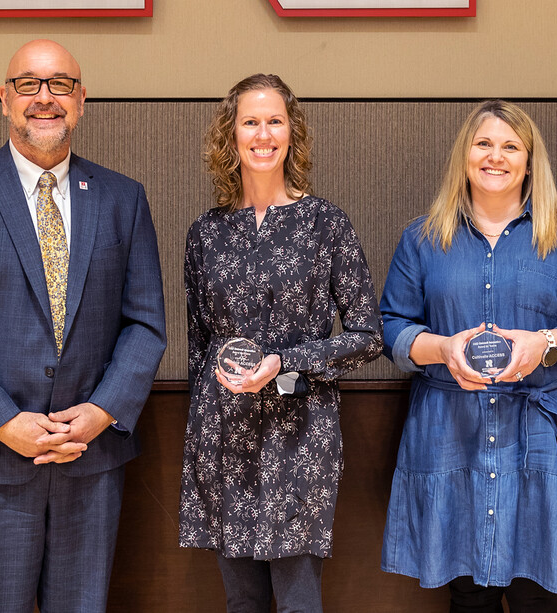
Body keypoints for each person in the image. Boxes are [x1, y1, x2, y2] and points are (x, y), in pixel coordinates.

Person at [0, 39, 167, 612]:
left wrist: (102, 412)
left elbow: (145, 324)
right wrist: (3, 422)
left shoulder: (123, 199)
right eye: (28, 83)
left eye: (60, 85)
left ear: (81, 100)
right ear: (5, 98)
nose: (43, 98)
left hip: (90, 462)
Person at [379, 99, 557, 612]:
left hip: (541, 438)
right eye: (484, 144)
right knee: (468, 594)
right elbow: (393, 329)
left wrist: (546, 345)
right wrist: (444, 349)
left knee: (537, 592)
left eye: (511, 146)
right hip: (452, 433)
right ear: (464, 156)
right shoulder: (423, 239)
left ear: (530, 161)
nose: (496, 157)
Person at [178, 73, 383, 612]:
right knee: (241, 603)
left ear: (293, 133)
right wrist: (201, 430)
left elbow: (368, 338)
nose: (263, 134)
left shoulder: (325, 224)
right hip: (224, 437)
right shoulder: (206, 233)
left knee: (297, 602)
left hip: (301, 438)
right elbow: (199, 349)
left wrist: (285, 361)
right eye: (250, 121)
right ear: (231, 134)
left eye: (275, 121)